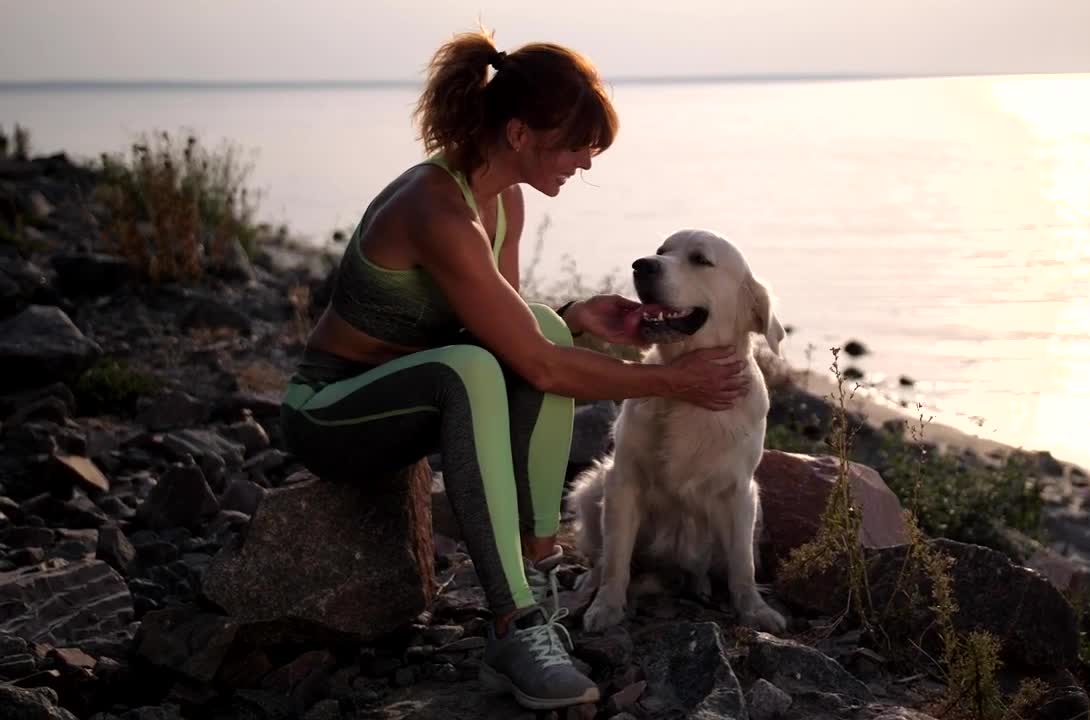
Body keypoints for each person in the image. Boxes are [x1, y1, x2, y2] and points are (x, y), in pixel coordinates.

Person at [278, 28, 748, 710]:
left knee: (543, 329)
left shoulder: (502, 200)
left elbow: (517, 337)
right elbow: (535, 368)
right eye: (577, 144)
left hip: (408, 398)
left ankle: (536, 569)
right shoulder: (435, 208)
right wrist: (674, 380)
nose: (587, 162)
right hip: (329, 412)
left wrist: (575, 316)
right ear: (522, 133)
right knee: (473, 367)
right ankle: (510, 623)